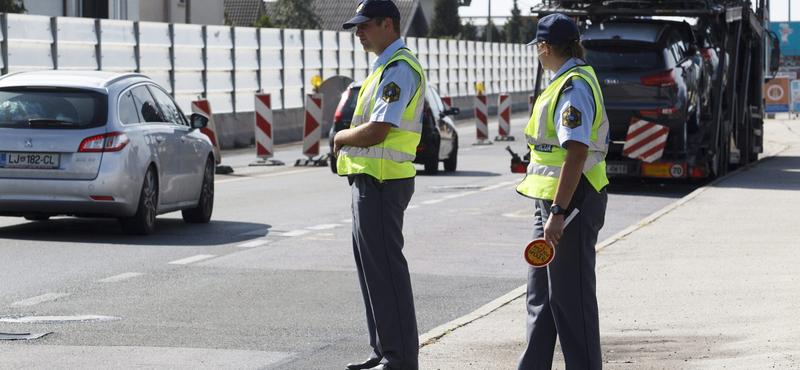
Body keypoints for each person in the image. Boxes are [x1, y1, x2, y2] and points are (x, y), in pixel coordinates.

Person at [333, 1, 426, 369]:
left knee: (385, 271)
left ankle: (399, 357)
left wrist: (341, 136)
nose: (358, 32)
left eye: (365, 25)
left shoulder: (399, 69)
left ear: (388, 24)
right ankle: (384, 349)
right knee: (372, 270)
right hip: (371, 181)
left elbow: (378, 130)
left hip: (383, 182)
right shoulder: (384, 68)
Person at [515, 13, 610, 370]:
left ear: (544, 46)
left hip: (570, 204)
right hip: (554, 204)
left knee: (571, 301)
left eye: (537, 48)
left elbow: (577, 151)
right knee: (542, 298)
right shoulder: (564, 81)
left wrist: (557, 210)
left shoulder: (574, 87)